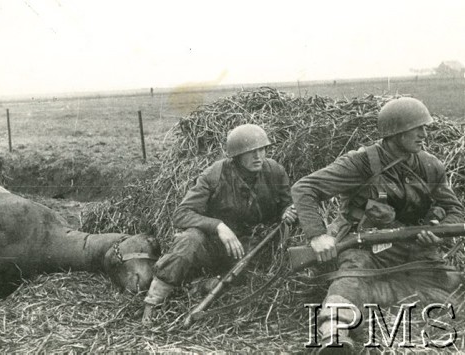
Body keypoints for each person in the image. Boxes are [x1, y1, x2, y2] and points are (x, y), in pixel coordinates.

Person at [292, 97, 464, 351]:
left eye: (424, 128)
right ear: (395, 132)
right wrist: (318, 236)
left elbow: (455, 210)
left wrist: (438, 231)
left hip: (415, 252)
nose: (424, 134)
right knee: (349, 281)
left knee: (454, 285)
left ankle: (382, 295)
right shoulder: (360, 164)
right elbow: (305, 188)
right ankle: (334, 335)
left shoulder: (430, 165)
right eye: (416, 128)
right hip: (367, 250)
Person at [142, 123, 297, 324]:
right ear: (237, 156)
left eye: (262, 149)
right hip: (213, 244)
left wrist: (288, 211)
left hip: (250, 245)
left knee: (256, 274)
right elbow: (181, 214)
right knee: (188, 240)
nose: (258, 156)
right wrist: (218, 226)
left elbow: (287, 203)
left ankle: (198, 286)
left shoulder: (275, 171)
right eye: (251, 152)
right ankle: (153, 302)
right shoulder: (215, 174)